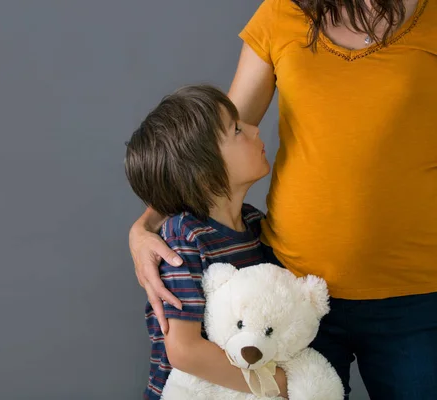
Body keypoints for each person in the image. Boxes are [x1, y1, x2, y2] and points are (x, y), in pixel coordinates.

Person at [128, 0, 437, 398]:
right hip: (290, 294)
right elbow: (207, 149)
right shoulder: (281, 14)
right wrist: (143, 228)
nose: (251, 135)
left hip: (414, 293)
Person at [125, 85, 288, 399]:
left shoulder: (256, 225)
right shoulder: (183, 239)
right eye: (237, 130)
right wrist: (279, 385)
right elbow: (184, 351)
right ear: (204, 173)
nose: (255, 129)